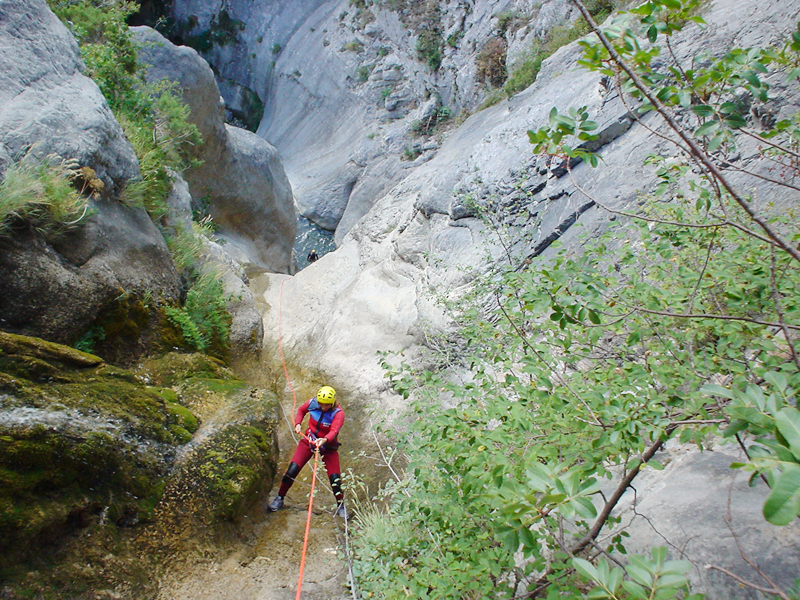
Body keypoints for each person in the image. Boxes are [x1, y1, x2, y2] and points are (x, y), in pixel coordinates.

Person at [267, 385, 347, 517]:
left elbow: (334, 430)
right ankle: (280, 498)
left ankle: (341, 506)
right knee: (292, 470)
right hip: (309, 441)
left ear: (332, 403)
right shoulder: (312, 403)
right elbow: (301, 410)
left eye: (326, 405)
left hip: (328, 447)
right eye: (321, 404)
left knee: (335, 478)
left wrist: (324, 440)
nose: (323, 407)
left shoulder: (338, 413)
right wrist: (298, 423)